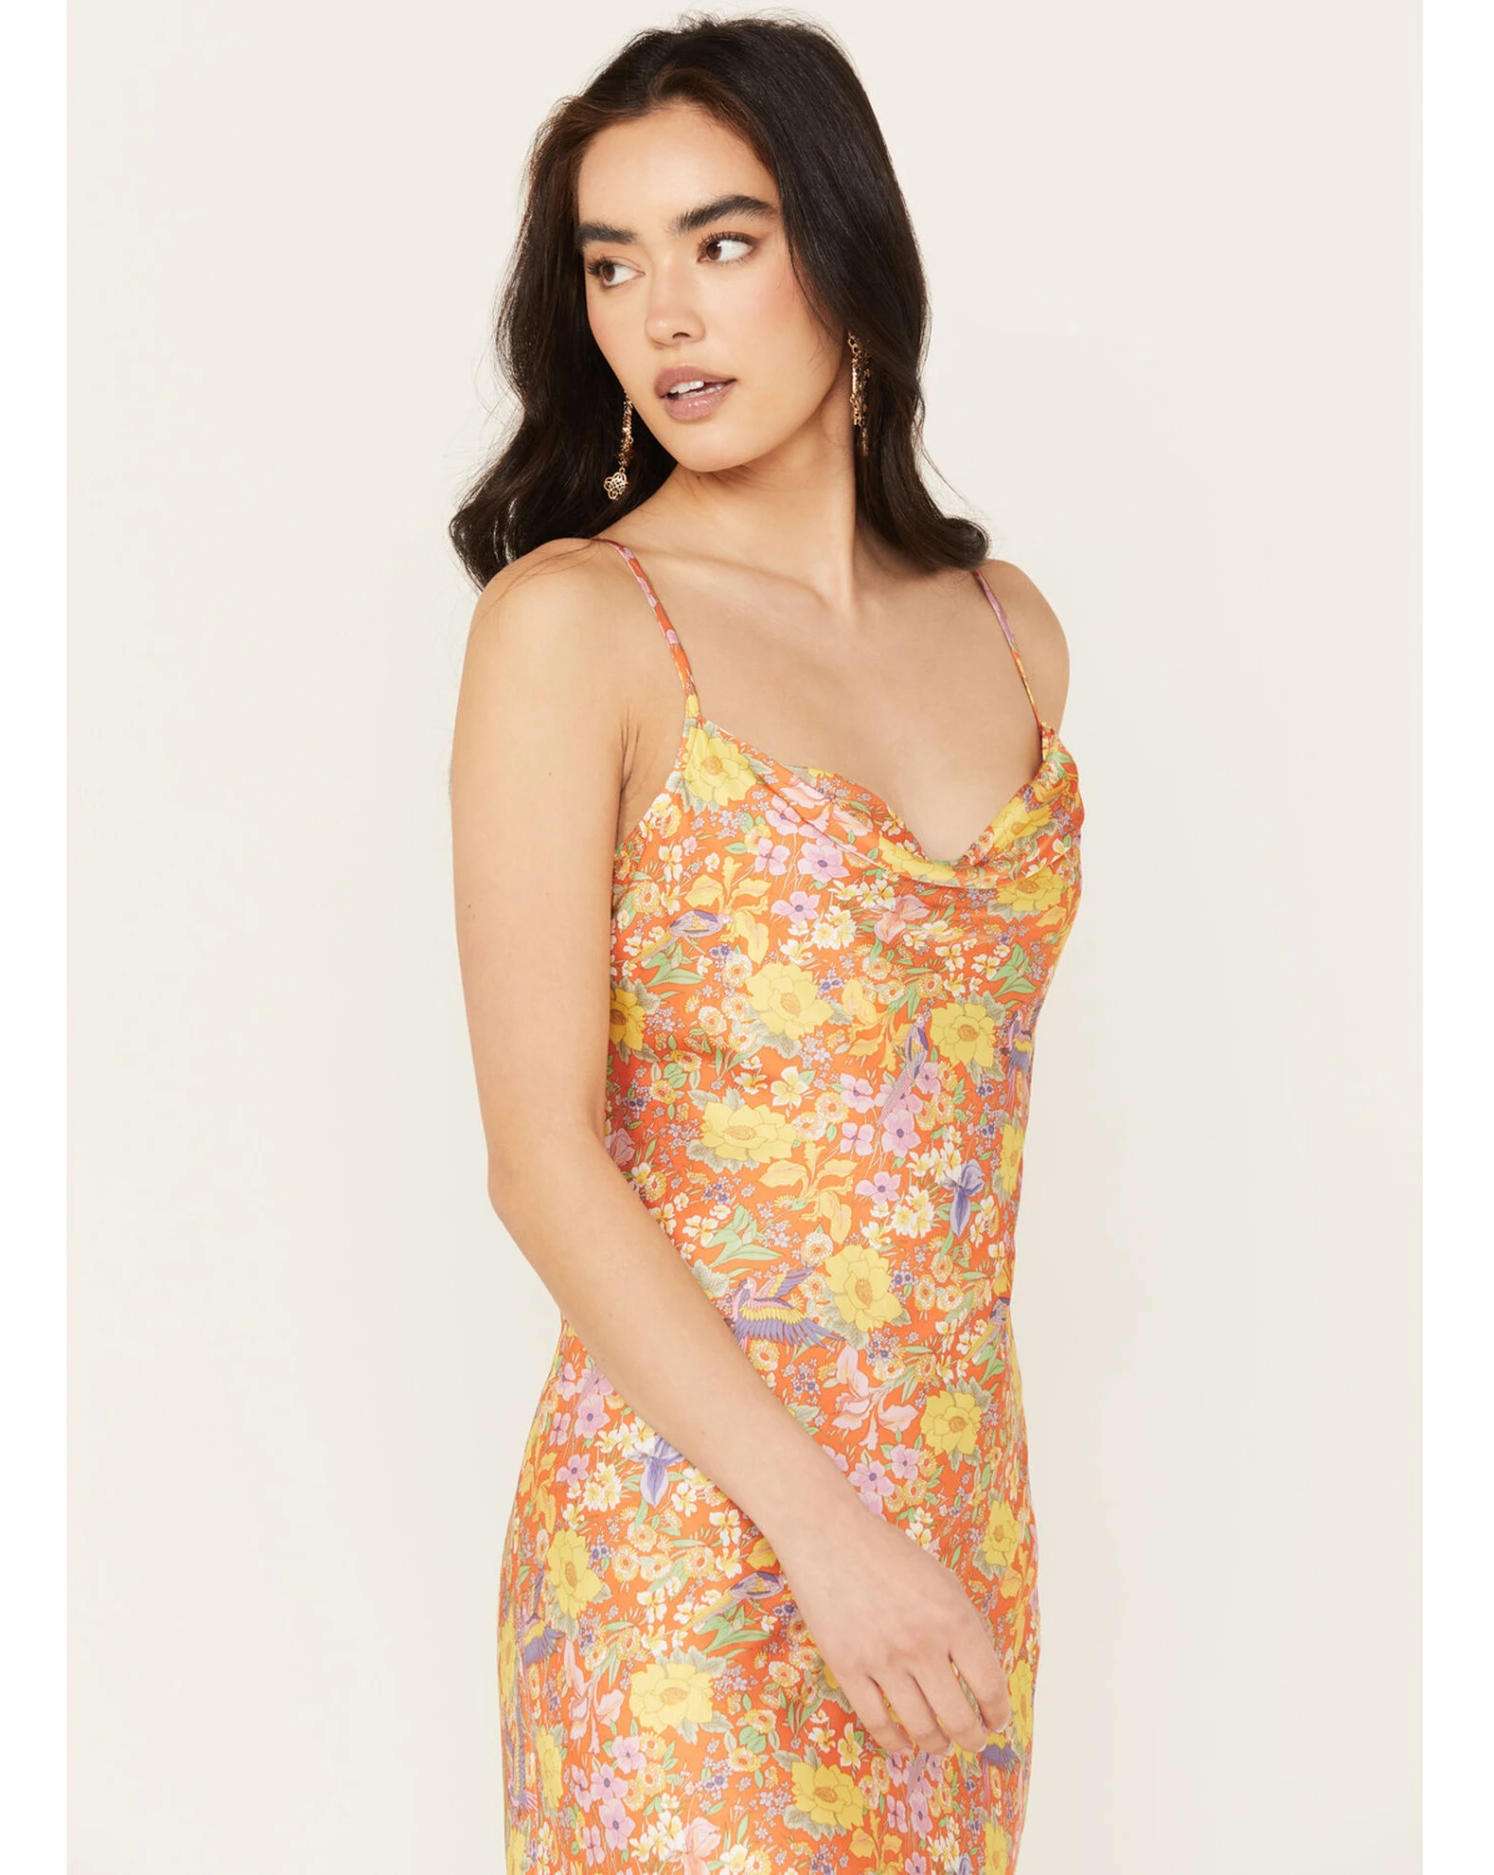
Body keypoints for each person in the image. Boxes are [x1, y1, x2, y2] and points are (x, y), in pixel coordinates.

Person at [447, 16, 1083, 1872]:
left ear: (845, 244)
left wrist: (899, 1542)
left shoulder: (1012, 632)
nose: (664, 316)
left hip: (956, 1527)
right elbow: (541, 1153)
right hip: (689, 1544)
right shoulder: (577, 626)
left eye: (722, 243)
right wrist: (824, 1533)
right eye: (612, 264)